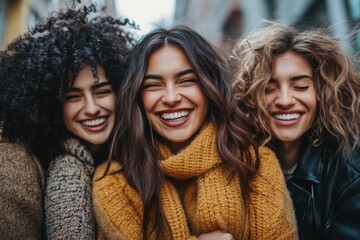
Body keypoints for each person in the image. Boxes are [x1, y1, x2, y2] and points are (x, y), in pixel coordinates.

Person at [92, 25, 298, 240]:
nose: (171, 98)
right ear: (137, 98)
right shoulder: (114, 183)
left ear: (210, 87)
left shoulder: (255, 163)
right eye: (153, 85)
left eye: (187, 80)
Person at [0, 5, 136, 239]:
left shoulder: (138, 155)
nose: (92, 109)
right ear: (52, 104)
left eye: (102, 91)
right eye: (72, 96)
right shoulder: (16, 163)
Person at [233, 22, 360, 239]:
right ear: (251, 97)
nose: (284, 100)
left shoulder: (350, 173)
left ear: (323, 93)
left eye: (300, 86)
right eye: (268, 88)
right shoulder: (235, 164)